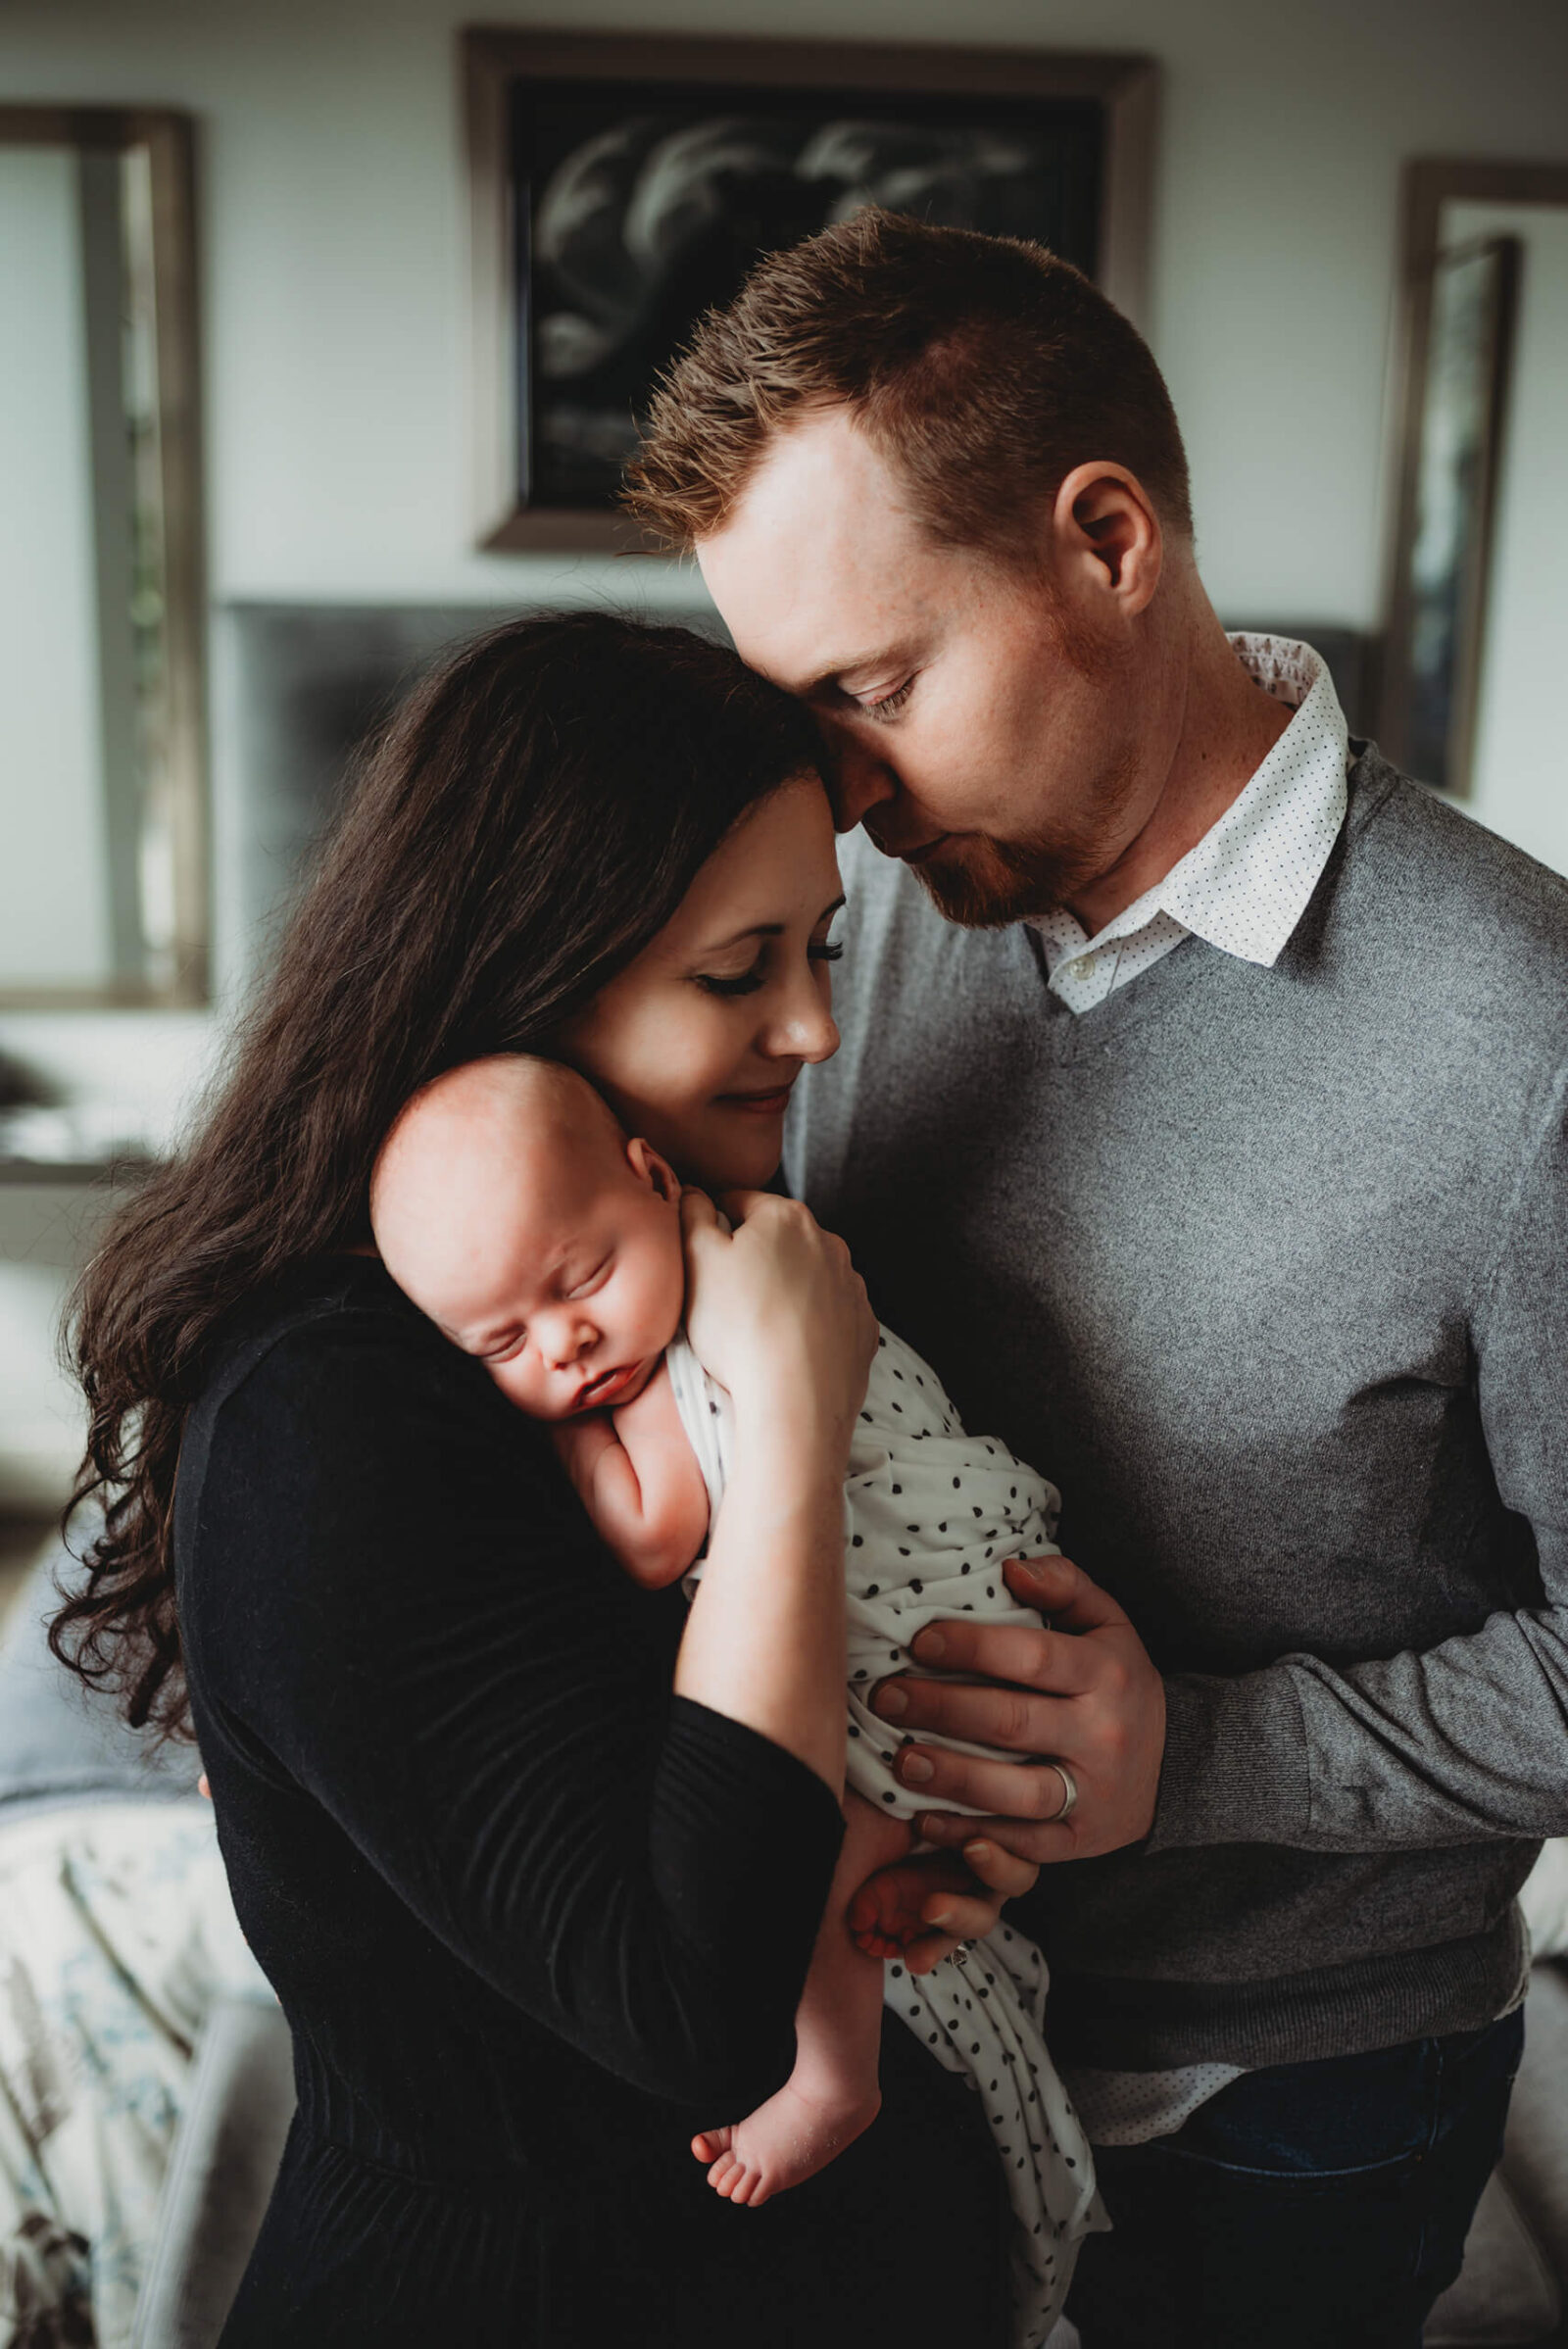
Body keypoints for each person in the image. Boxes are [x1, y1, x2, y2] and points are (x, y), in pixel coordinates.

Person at [624, 210, 1564, 2346]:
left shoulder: (1526, 1043)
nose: (842, 803)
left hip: (1295, 2082)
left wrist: (1194, 1753)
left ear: (1106, 537)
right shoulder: (869, 929)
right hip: (889, 1999)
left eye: (869, 690)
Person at [48, 613, 1034, 2349]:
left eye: (818, 948)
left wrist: (1027, 1758)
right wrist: (789, 1416)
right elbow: (685, 2005)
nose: (811, 1024)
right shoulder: (326, 1412)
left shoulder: (724, 1252)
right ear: (524, 965)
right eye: (738, 971)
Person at [368, 1051, 1102, 2344]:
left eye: (580, 1278)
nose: (567, 1342)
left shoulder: (710, 1330)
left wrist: (532, 1427)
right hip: (957, 1609)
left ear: (653, 1179)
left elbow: (653, 1535)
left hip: (916, 1620)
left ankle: (836, 2075)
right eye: (501, 1341)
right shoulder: (715, 1266)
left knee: (805, 1836)